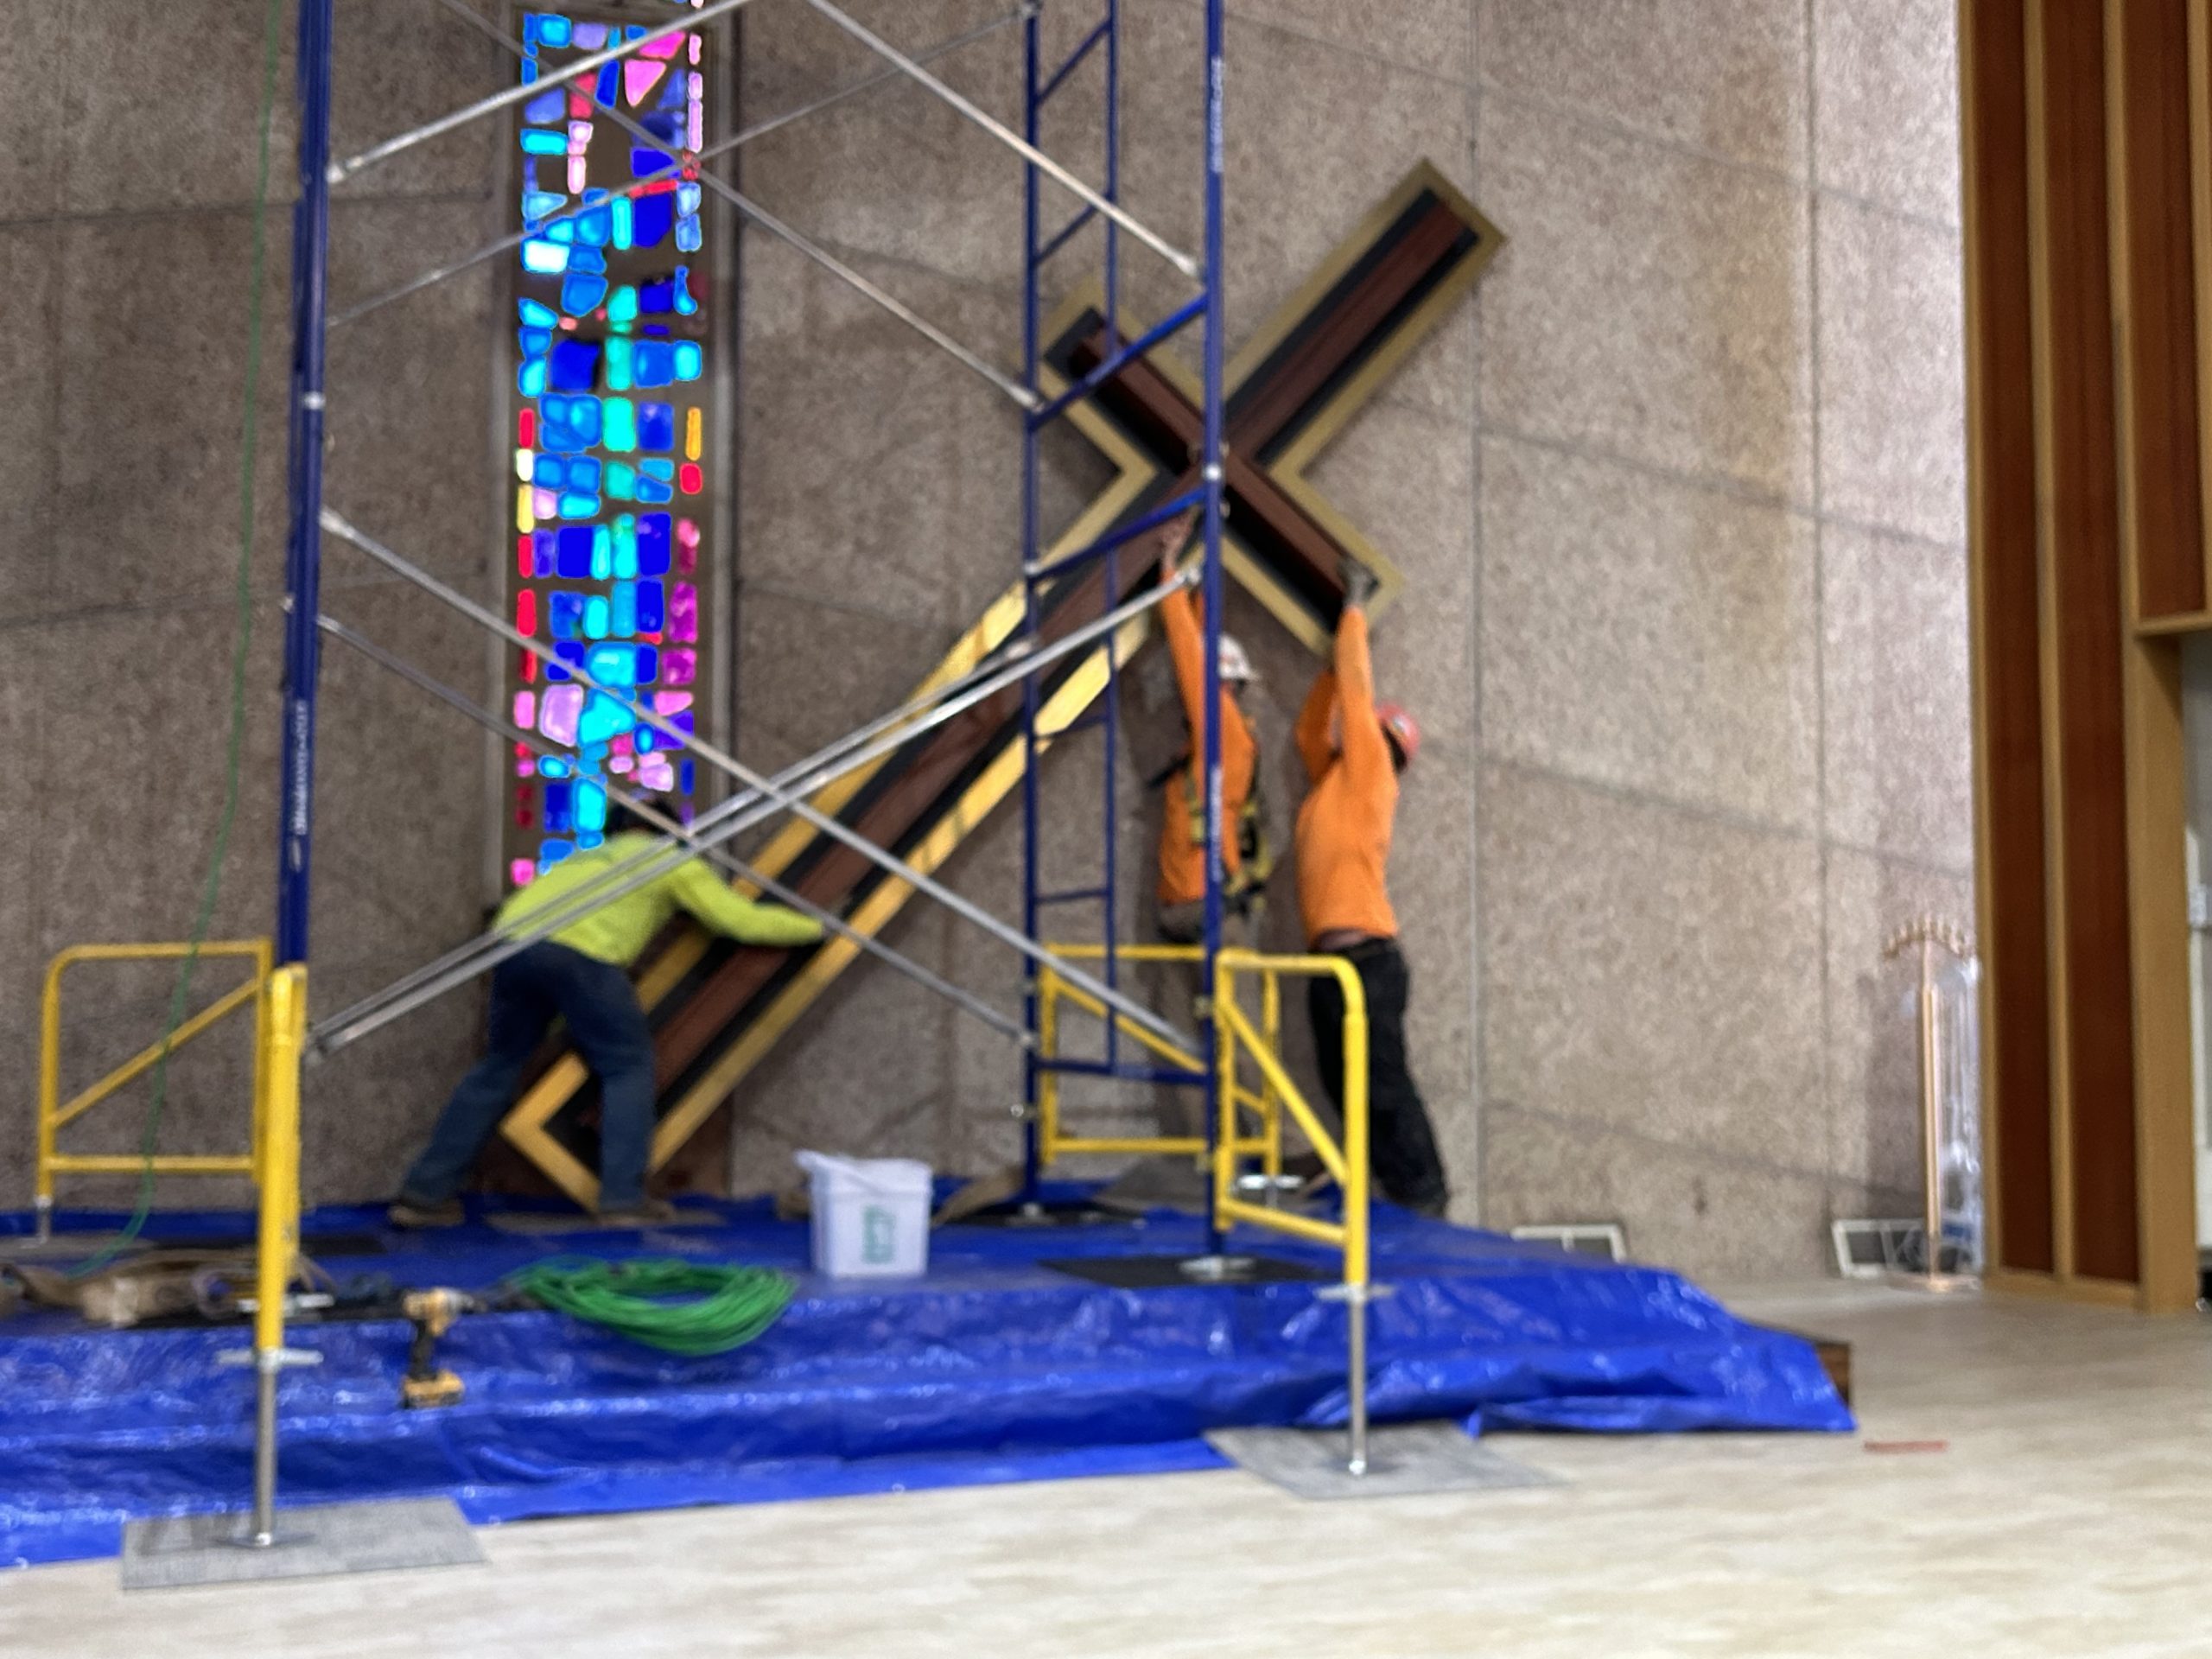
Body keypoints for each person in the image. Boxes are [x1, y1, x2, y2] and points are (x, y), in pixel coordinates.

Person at [389, 804, 823, 1227]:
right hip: (584, 957)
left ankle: (424, 1195)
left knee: (499, 1067)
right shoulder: (668, 859)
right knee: (628, 1065)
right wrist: (817, 927)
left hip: (514, 948)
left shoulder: (582, 860)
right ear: (670, 832)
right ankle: (622, 1199)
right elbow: (739, 921)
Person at [1291, 559, 1449, 1217]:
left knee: (1383, 1084)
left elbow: (1357, 697)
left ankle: (1424, 1195)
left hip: (1367, 961)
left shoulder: (1371, 778)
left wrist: (1351, 614)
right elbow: (1310, 730)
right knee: (1342, 1083)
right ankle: (1375, 1188)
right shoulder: (1334, 784)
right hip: (1333, 962)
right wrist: (1329, 669)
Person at [1150, 516, 1268, 944]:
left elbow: (1189, 654)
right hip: (1195, 904)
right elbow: (1199, 654)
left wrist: (1168, 573)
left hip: (1203, 904)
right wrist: (1198, 593)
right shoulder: (1219, 736)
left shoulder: (1225, 727)